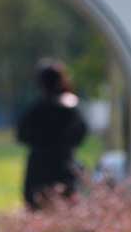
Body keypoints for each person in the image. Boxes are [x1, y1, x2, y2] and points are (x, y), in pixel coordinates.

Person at [16, 59, 89, 210]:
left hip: (38, 170)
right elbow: (81, 134)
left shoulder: (35, 110)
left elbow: (21, 135)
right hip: (64, 167)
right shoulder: (71, 108)